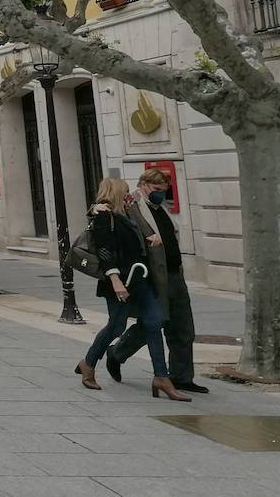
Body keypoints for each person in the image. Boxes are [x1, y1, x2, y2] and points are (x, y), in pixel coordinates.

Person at [77, 177, 189, 401]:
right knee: (116, 327)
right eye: (126, 191)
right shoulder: (104, 216)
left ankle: (161, 377)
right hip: (119, 282)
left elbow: (136, 236)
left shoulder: (128, 213)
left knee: (154, 322)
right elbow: (105, 251)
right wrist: (116, 282)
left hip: (141, 279)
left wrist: (149, 238)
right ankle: (88, 363)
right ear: (115, 192)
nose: (130, 194)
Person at [106, 168, 207, 394]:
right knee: (153, 324)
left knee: (183, 328)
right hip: (153, 277)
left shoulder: (161, 208)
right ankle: (117, 352)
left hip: (175, 275)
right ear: (143, 184)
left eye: (163, 190)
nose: (160, 194)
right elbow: (108, 216)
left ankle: (181, 376)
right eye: (156, 189)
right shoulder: (132, 205)